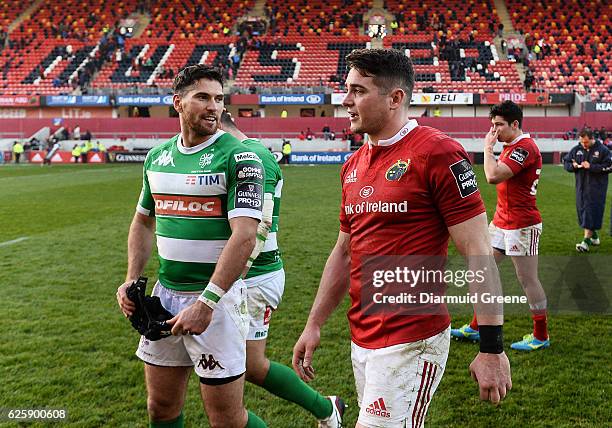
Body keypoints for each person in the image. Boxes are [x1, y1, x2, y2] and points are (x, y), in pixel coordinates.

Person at [292, 49, 511, 428]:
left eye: (358, 91)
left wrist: (491, 347)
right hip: (362, 335)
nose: (346, 101)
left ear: (395, 99)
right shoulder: (353, 164)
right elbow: (344, 252)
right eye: (347, 90)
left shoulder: (438, 152)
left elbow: (478, 250)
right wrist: (314, 323)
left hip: (412, 338)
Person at [116, 64, 267, 428]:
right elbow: (143, 220)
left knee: (227, 419)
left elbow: (246, 234)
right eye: (202, 97)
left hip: (215, 301)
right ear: (178, 102)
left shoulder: (242, 157)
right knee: (161, 408)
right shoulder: (157, 157)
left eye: (218, 98)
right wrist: (131, 279)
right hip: (164, 298)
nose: (213, 106)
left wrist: (207, 302)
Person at [219, 112, 344, 427]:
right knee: (249, 366)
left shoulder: (253, 155)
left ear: (219, 124)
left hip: (253, 279)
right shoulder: (244, 152)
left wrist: (227, 281)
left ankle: (327, 409)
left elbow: (257, 229)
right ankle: (328, 409)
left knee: (240, 375)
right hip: (247, 278)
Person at [452, 100, 551, 352]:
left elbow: (492, 176)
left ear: (515, 124)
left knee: (527, 279)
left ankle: (541, 335)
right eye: (492, 126)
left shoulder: (524, 147)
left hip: (522, 223)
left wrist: (487, 149)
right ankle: (476, 326)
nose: (494, 131)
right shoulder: (511, 145)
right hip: (501, 221)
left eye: (498, 125)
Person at [563, 129, 612, 251]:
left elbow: (609, 166)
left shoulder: (603, 150)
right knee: (583, 211)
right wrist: (572, 166)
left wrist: (592, 167)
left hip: (597, 188)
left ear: (592, 139)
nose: (583, 145)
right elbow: (566, 162)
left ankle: (585, 242)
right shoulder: (577, 149)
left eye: (586, 142)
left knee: (590, 211)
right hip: (581, 187)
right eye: (581, 142)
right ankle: (594, 236)